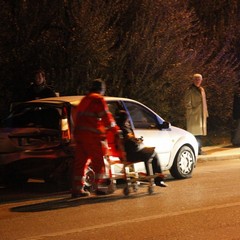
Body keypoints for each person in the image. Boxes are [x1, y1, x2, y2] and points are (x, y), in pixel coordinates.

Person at [72, 78, 119, 198]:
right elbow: (107, 118)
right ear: (101, 90)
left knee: (81, 163)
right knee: (98, 162)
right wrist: (116, 130)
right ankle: (100, 187)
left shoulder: (84, 99)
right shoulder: (98, 99)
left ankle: (78, 189)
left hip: (79, 135)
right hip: (91, 136)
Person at [115, 110, 167, 187]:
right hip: (132, 155)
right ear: (126, 119)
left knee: (149, 152)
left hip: (123, 156)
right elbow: (132, 144)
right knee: (152, 153)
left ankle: (154, 177)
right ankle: (157, 179)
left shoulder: (115, 129)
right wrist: (138, 141)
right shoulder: (125, 129)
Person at [184, 73, 208, 155]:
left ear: (201, 80)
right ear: (193, 80)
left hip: (201, 114)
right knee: (195, 133)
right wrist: (191, 111)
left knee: (199, 133)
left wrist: (205, 113)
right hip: (194, 115)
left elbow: (204, 102)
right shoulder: (190, 89)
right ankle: (197, 149)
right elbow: (187, 102)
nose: (198, 81)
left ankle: (199, 149)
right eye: (196, 79)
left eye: (199, 79)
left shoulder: (201, 89)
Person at [232, 81, 240, 146]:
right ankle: (236, 141)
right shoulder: (237, 94)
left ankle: (236, 141)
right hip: (239, 113)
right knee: (238, 129)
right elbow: (236, 105)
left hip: (238, 113)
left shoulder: (237, 94)